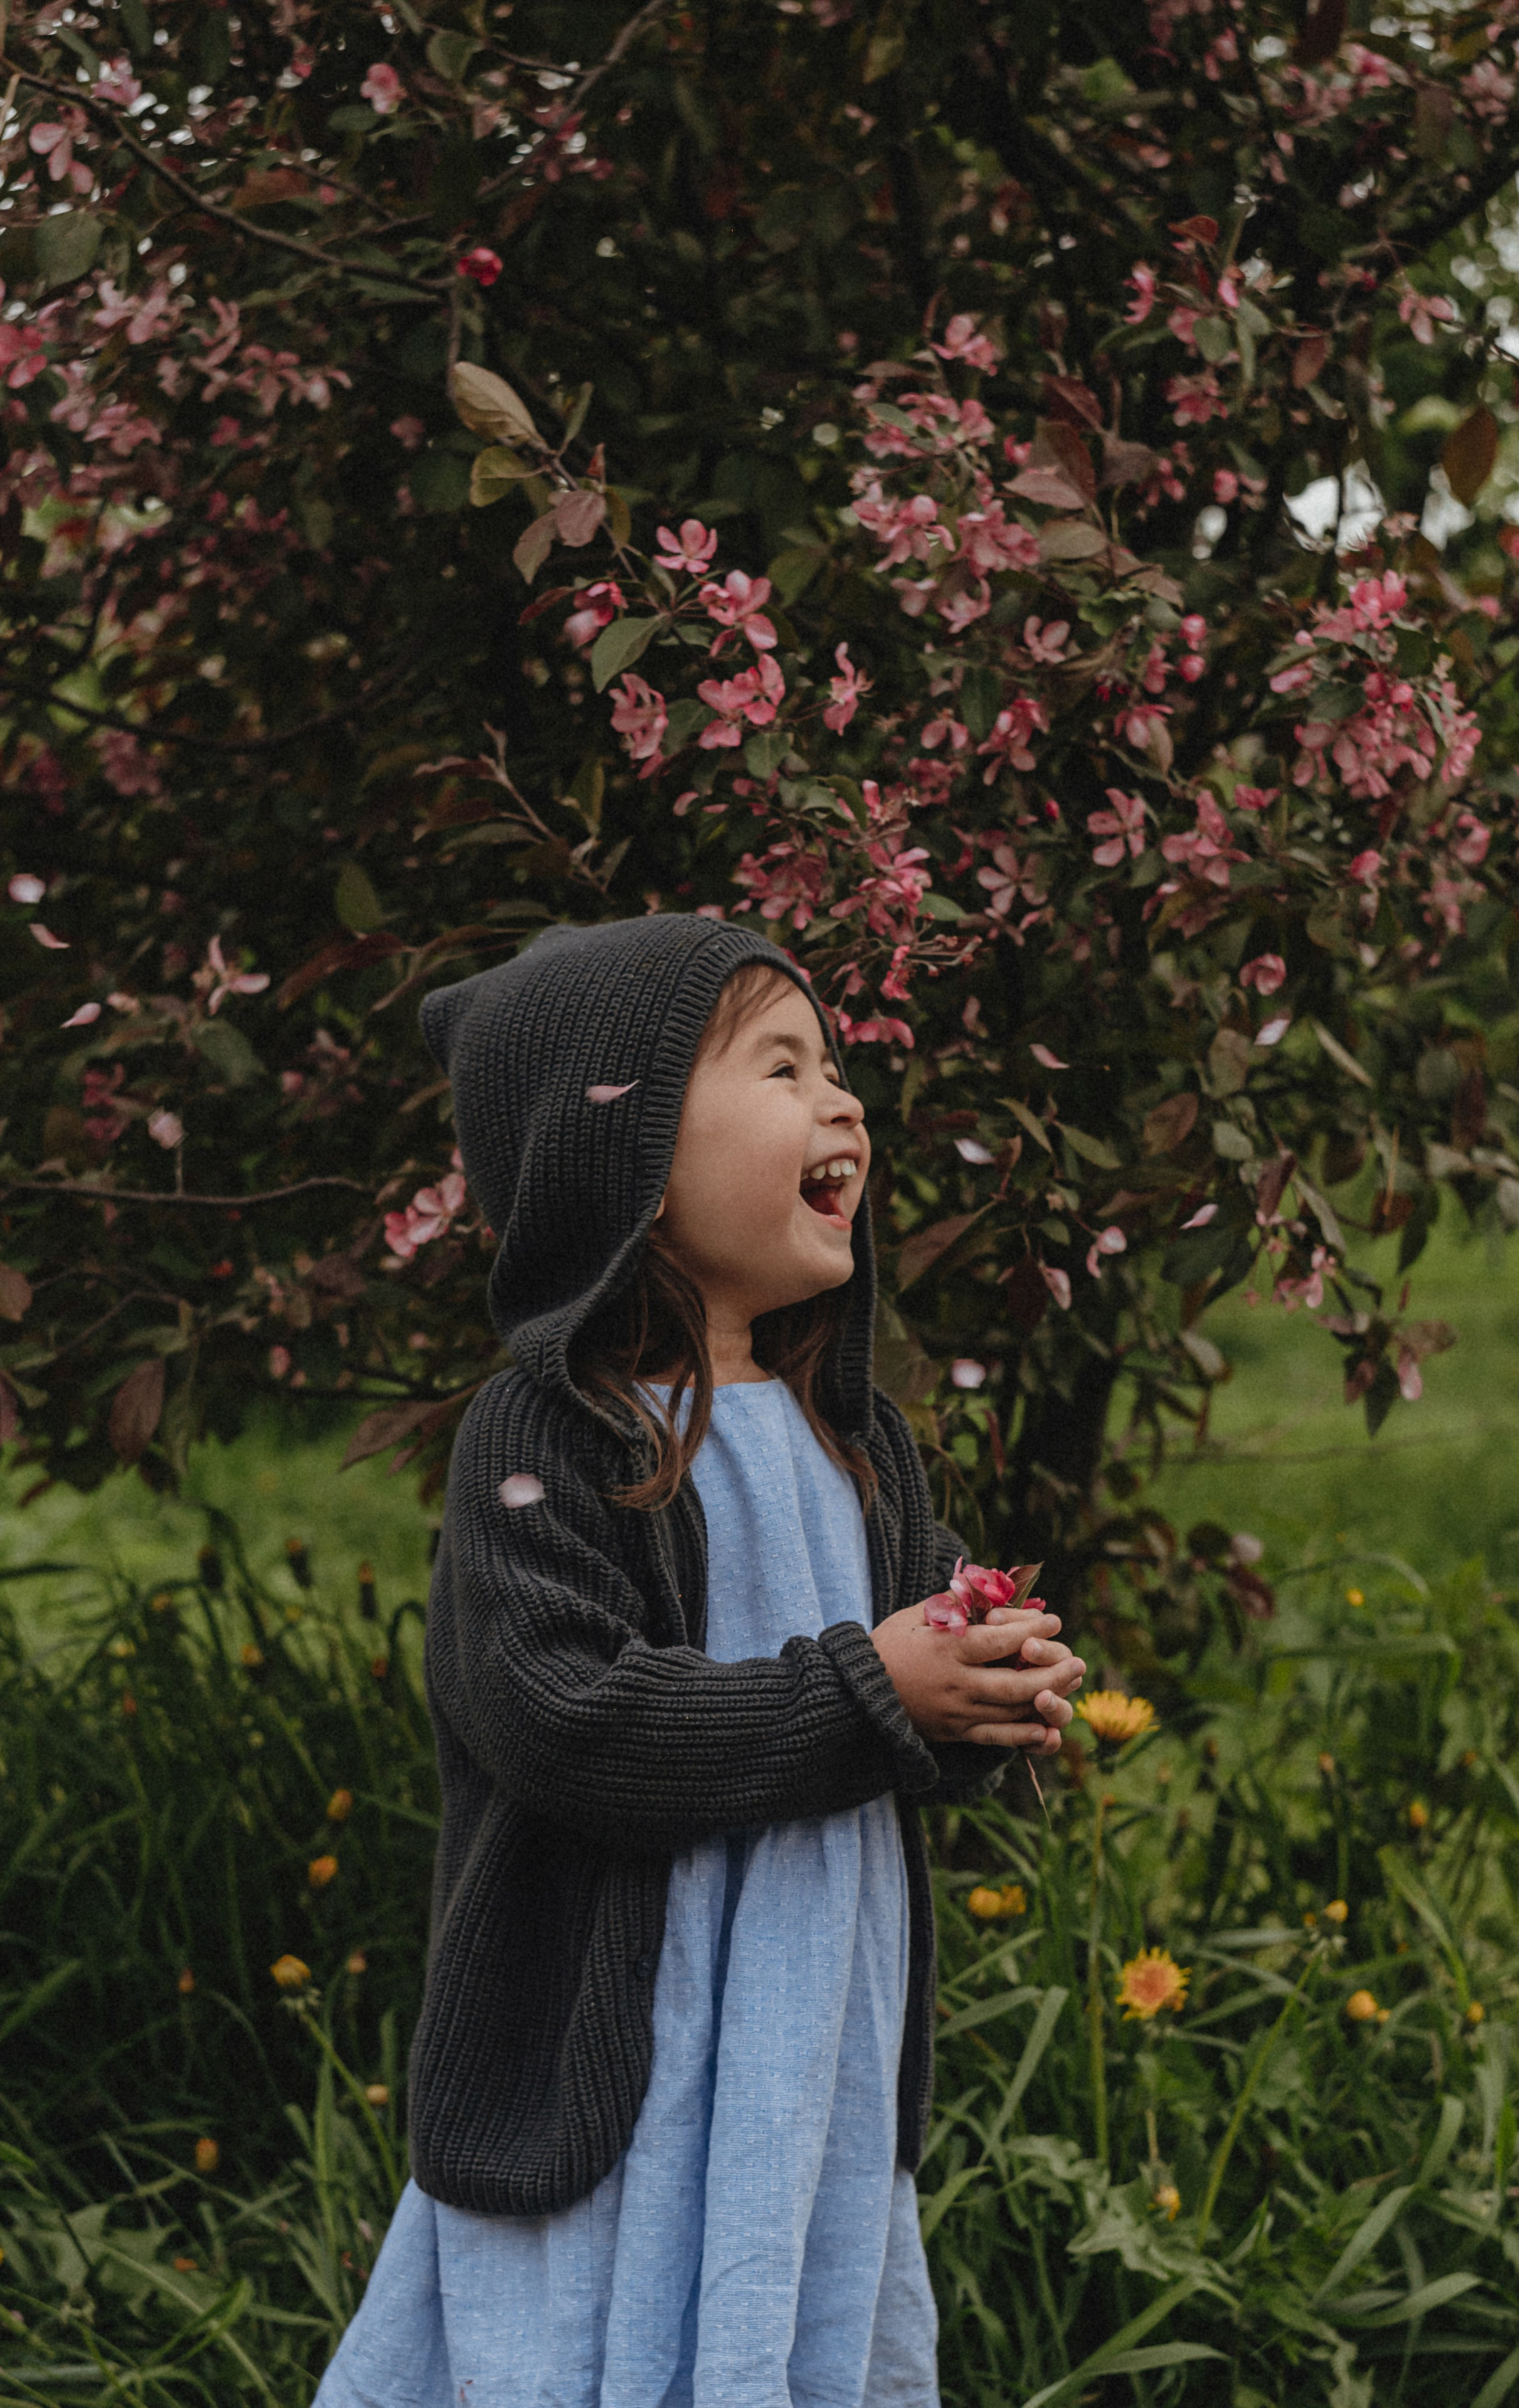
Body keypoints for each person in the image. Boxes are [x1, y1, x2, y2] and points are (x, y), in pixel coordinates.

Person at [315, 912, 1084, 2408]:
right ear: (630, 1161)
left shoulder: (855, 1445)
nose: (842, 1103)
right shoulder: (550, 1441)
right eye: (781, 1068)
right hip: (624, 2061)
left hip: (808, 2062)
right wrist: (874, 1692)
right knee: (592, 2341)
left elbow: (894, 1714)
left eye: (837, 1069)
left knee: (785, 2340)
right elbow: (563, 1718)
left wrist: (978, 1696)